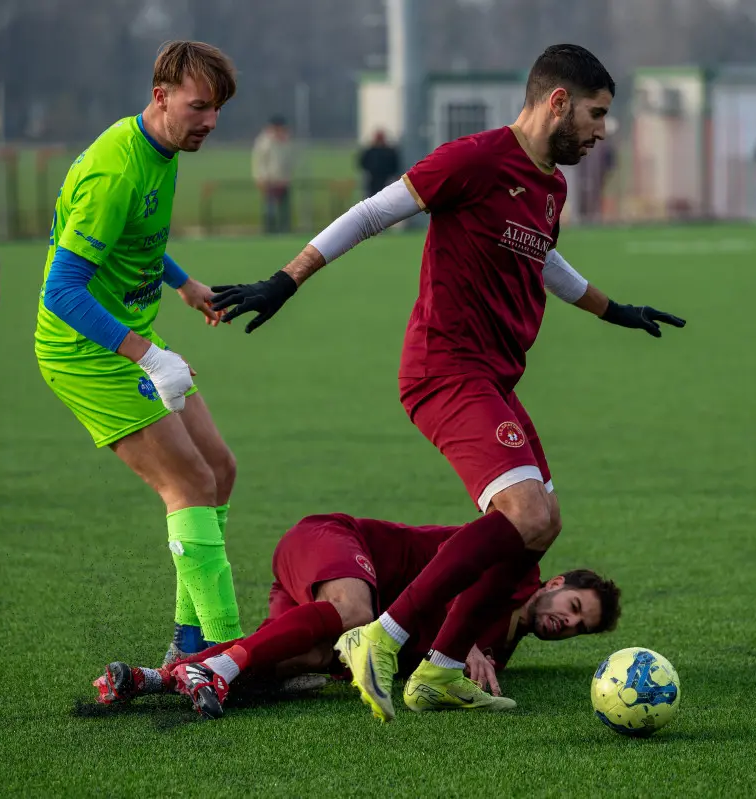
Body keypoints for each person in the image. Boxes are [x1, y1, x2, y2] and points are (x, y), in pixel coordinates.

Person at [209, 44, 684, 721]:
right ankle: (386, 635)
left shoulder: (551, 186)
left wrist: (617, 311)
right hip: (446, 367)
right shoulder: (475, 159)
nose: (603, 130)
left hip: (493, 377)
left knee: (538, 532)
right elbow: (373, 211)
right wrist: (288, 278)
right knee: (529, 514)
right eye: (597, 113)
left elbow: (544, 257)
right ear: (557, 102)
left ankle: (439, 670)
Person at [34, 41, 245, 668]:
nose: (209, 122)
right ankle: (226, 647)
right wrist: (147, 355)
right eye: (199, 107)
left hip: (132, 338)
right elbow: (61, 291)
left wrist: (183, 284)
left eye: (217, 110)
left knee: (220, 471)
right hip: (86, 352)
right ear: (160, 97)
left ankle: (191, 642)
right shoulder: (115, 169)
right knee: (189, 482)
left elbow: (139, 234)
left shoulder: (163, 143)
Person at [95, 513, 621, 719]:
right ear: (554, 585)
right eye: (574, 607)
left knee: (301, 661)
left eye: (581, 627)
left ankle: (150, 678)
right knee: (353, 616)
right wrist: (462, 643)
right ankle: (216, 669)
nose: (568, 623)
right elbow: (452, 579)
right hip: (334, 541)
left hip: (318, 600)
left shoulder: (500, 651)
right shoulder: (511, 565)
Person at [251, 115, 294, 233]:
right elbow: (259, 162)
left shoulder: (286, 141)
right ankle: (270, 231)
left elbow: (288, 162)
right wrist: (261, 178)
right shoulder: (264, 141)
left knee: (284, 209)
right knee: (270, 209)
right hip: (269, 181)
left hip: (283, 181)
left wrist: (287, 177)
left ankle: (284, 230)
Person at [358, 129, 401, 199]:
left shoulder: (389, 151)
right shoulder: (370, 151)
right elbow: (363, 163)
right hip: (373, 180)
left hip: (386, 180)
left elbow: (395, 165)